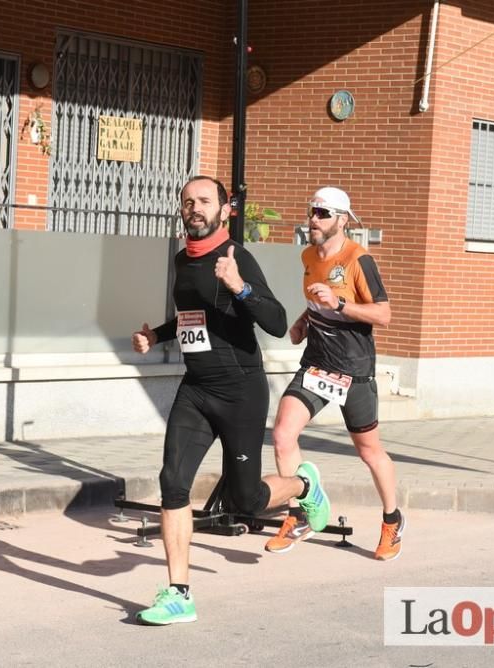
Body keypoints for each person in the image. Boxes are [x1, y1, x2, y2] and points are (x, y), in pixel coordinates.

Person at [131, 176, 331, 625]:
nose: (194, 208)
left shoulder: (237, 257)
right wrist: (155, 335)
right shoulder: (183, 260)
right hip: (197, 389)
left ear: (226, 210)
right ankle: (179, 594)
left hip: (241, 389)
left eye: (204, 201)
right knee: (173, 482)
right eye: (188, 202)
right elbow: (191, 317)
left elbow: (278, 322)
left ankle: (303, 486)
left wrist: (240, 286)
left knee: (246, 501)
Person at [266, 186, 403, 561]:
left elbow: (384, 315)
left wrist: (340, 302)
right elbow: (316, 300)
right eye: (312, 211)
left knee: (369, 451)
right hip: (316, 363)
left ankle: (392, 519)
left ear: (342, 220)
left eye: (323, 214)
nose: (314, 219)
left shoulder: (360, 260)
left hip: (354, 371)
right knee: (281, 435)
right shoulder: (308, 255)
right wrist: (303, 321)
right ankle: (300, 513)